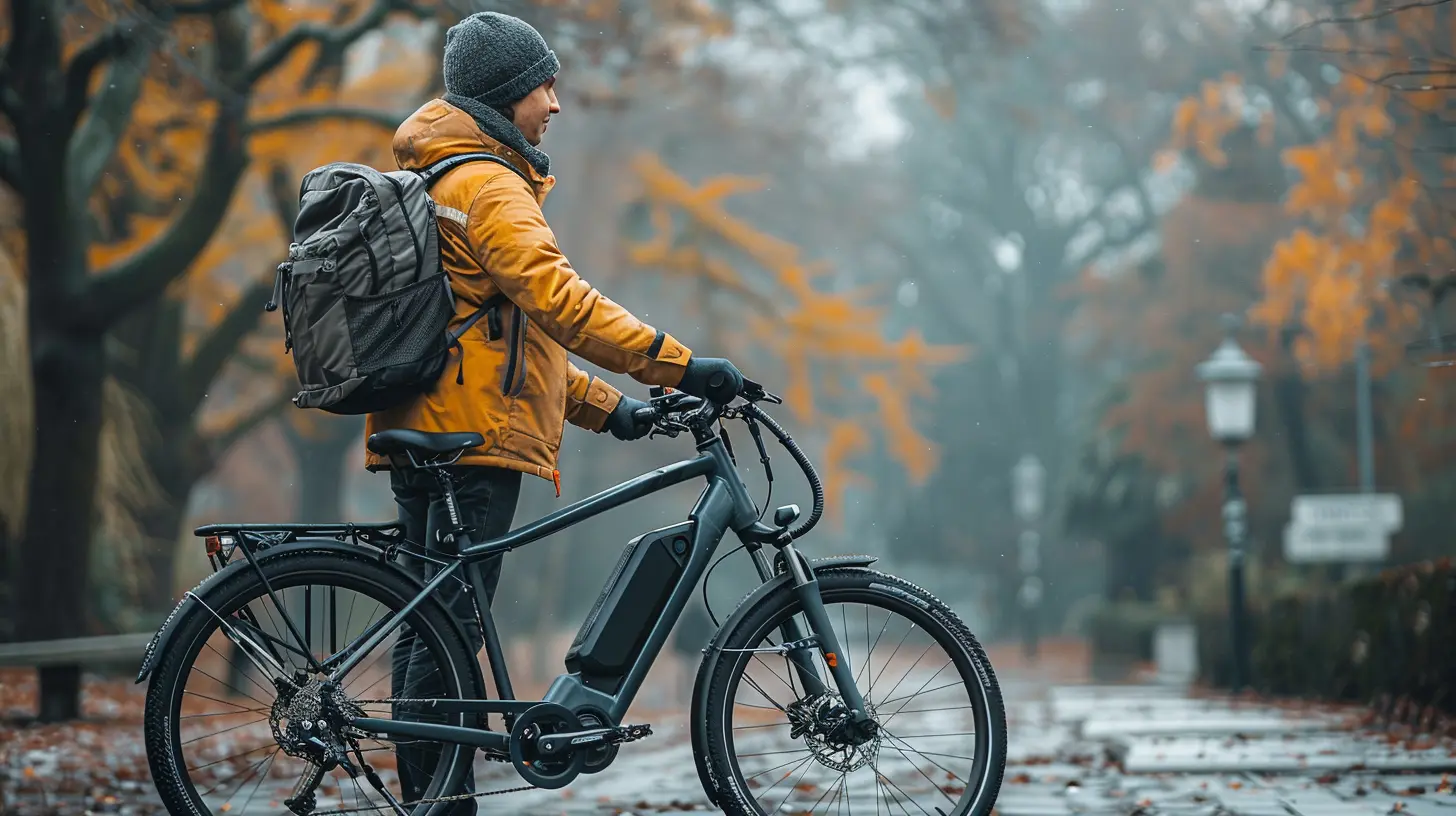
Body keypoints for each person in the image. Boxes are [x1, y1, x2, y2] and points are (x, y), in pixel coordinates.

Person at [368, 11, 745, 811]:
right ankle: (440, 804)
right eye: (545, 86)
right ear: (507, 93)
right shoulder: (486, 183)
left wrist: (614, 410)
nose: (556, 104)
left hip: (437, 424)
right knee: (446, 630)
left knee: (434, 626)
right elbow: (560, 304)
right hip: (467, 441)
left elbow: (510, 342)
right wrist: (680, 363)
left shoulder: (451, 178)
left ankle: (436, 798)